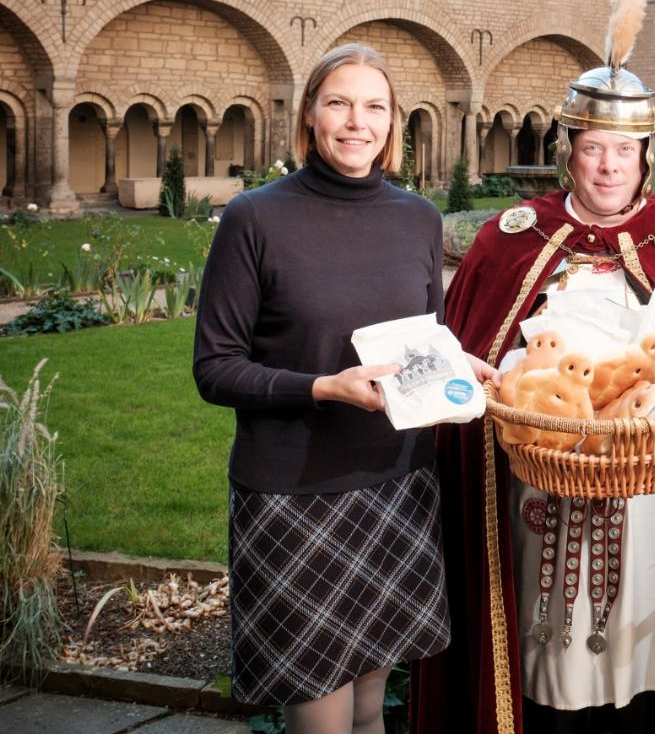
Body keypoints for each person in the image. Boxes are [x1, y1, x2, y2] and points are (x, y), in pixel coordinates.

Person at [411, 0, 655, 734]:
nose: (608, 165)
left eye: (625, 150)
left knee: (644, 666)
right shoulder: (510, 239)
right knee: (542, 666)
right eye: (593, 148)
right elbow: (471, 364)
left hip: (652, 495)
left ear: (647, 155)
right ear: (569, 152)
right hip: (536, 493)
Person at [193, 43, 494, 734]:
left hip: (397, 482)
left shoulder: (416, 216)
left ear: (393, 123)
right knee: (321, 716)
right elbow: (215, 367)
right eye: (339, 103)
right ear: (309, 115)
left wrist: (456, 365)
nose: (356, 122)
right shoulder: (256, 218)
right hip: (296, 495)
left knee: (368, 709)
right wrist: (324, 386)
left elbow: (424, 337)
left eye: (374, 107)